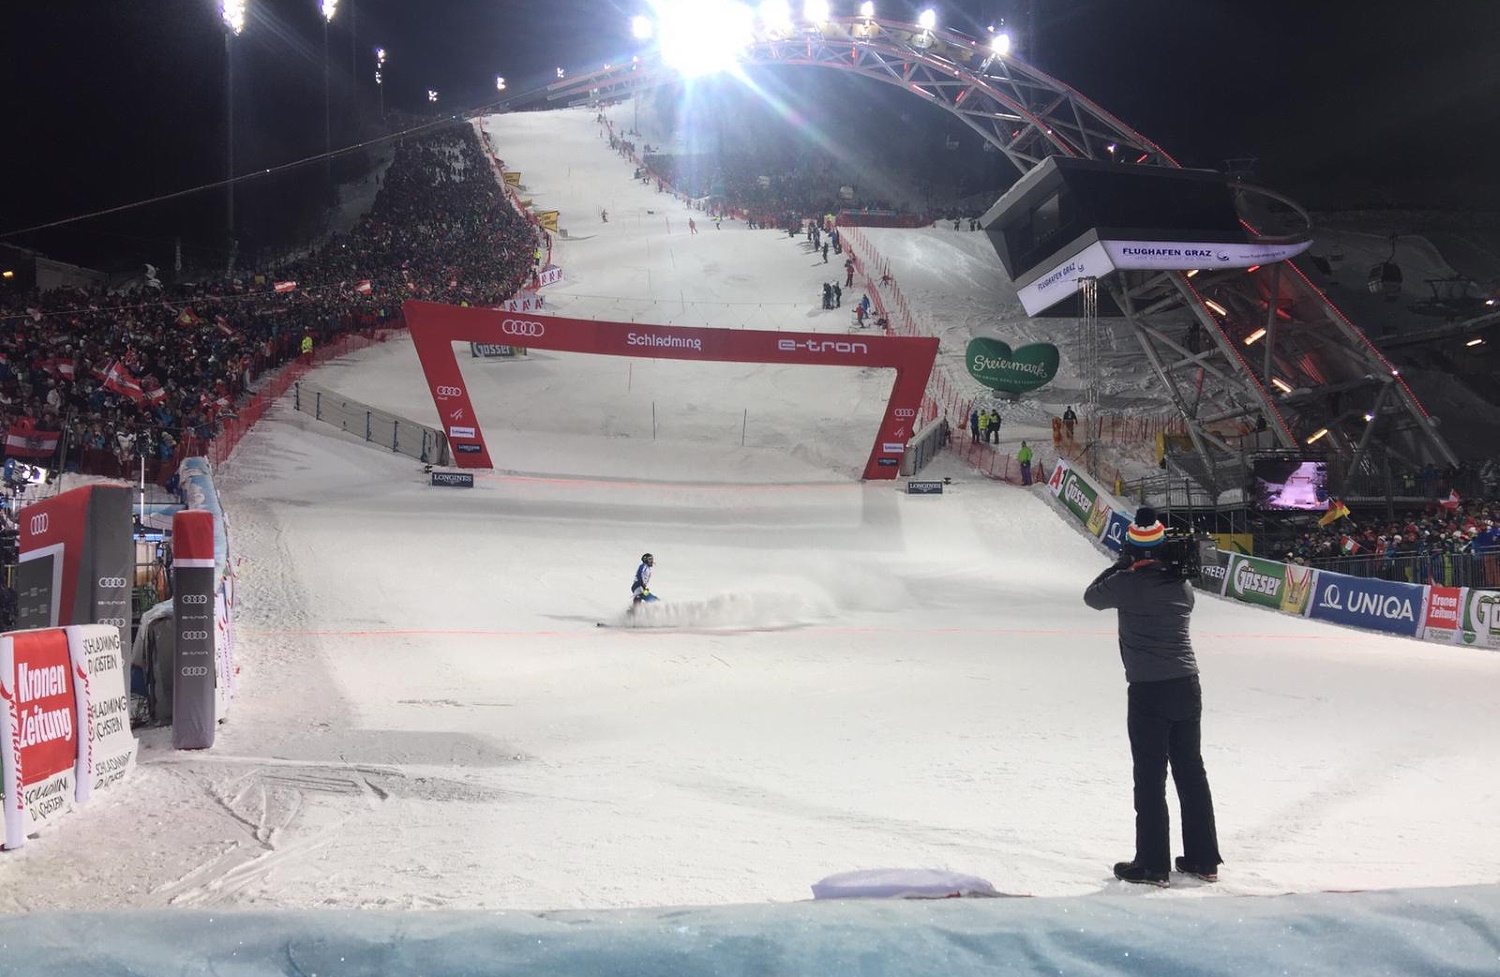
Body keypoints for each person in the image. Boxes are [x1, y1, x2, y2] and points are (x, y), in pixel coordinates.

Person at [1084, 509, 1221, 887]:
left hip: (1148, 689)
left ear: (1132, 545)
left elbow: (1091, 597)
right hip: (1186, 684)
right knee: (1191, 772)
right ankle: (1203, 859)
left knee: (1149, 776)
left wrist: (1121, 564)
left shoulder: (1127, 583)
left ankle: (1152, 864)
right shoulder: (1182, 586)